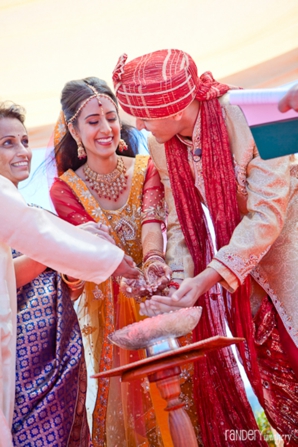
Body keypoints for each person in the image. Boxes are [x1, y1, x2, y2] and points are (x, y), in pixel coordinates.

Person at [112, 50, 298, 446]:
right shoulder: (160, 141)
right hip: (246, 282)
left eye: (144, 115)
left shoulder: (265, 113)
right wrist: (179, 285)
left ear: (176, 106)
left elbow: (267, 214)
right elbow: (181, 220)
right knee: (280, 393)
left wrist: (207, 278)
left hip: (290, 258)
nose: (139, 126)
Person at [49, 77, 187, 447]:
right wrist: (131, 277)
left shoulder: (144, 167)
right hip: (109, 307)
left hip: (160, 296)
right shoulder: (65, 188)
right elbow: (98, 249)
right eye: (93, 122)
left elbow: (152, 221)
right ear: (74, 130)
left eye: (111, 117)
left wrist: (154, 265)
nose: (106, 128)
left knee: (182, 398)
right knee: (133, 412)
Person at [0, 102, 138, 447]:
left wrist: (72, 269)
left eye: (24, 141)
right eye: (7, 143)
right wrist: (89, 252)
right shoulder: (26, 219)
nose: (22, 153)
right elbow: (8, 276)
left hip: (57, 359)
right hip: (21, 367)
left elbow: (62, 289)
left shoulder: (33, 211)